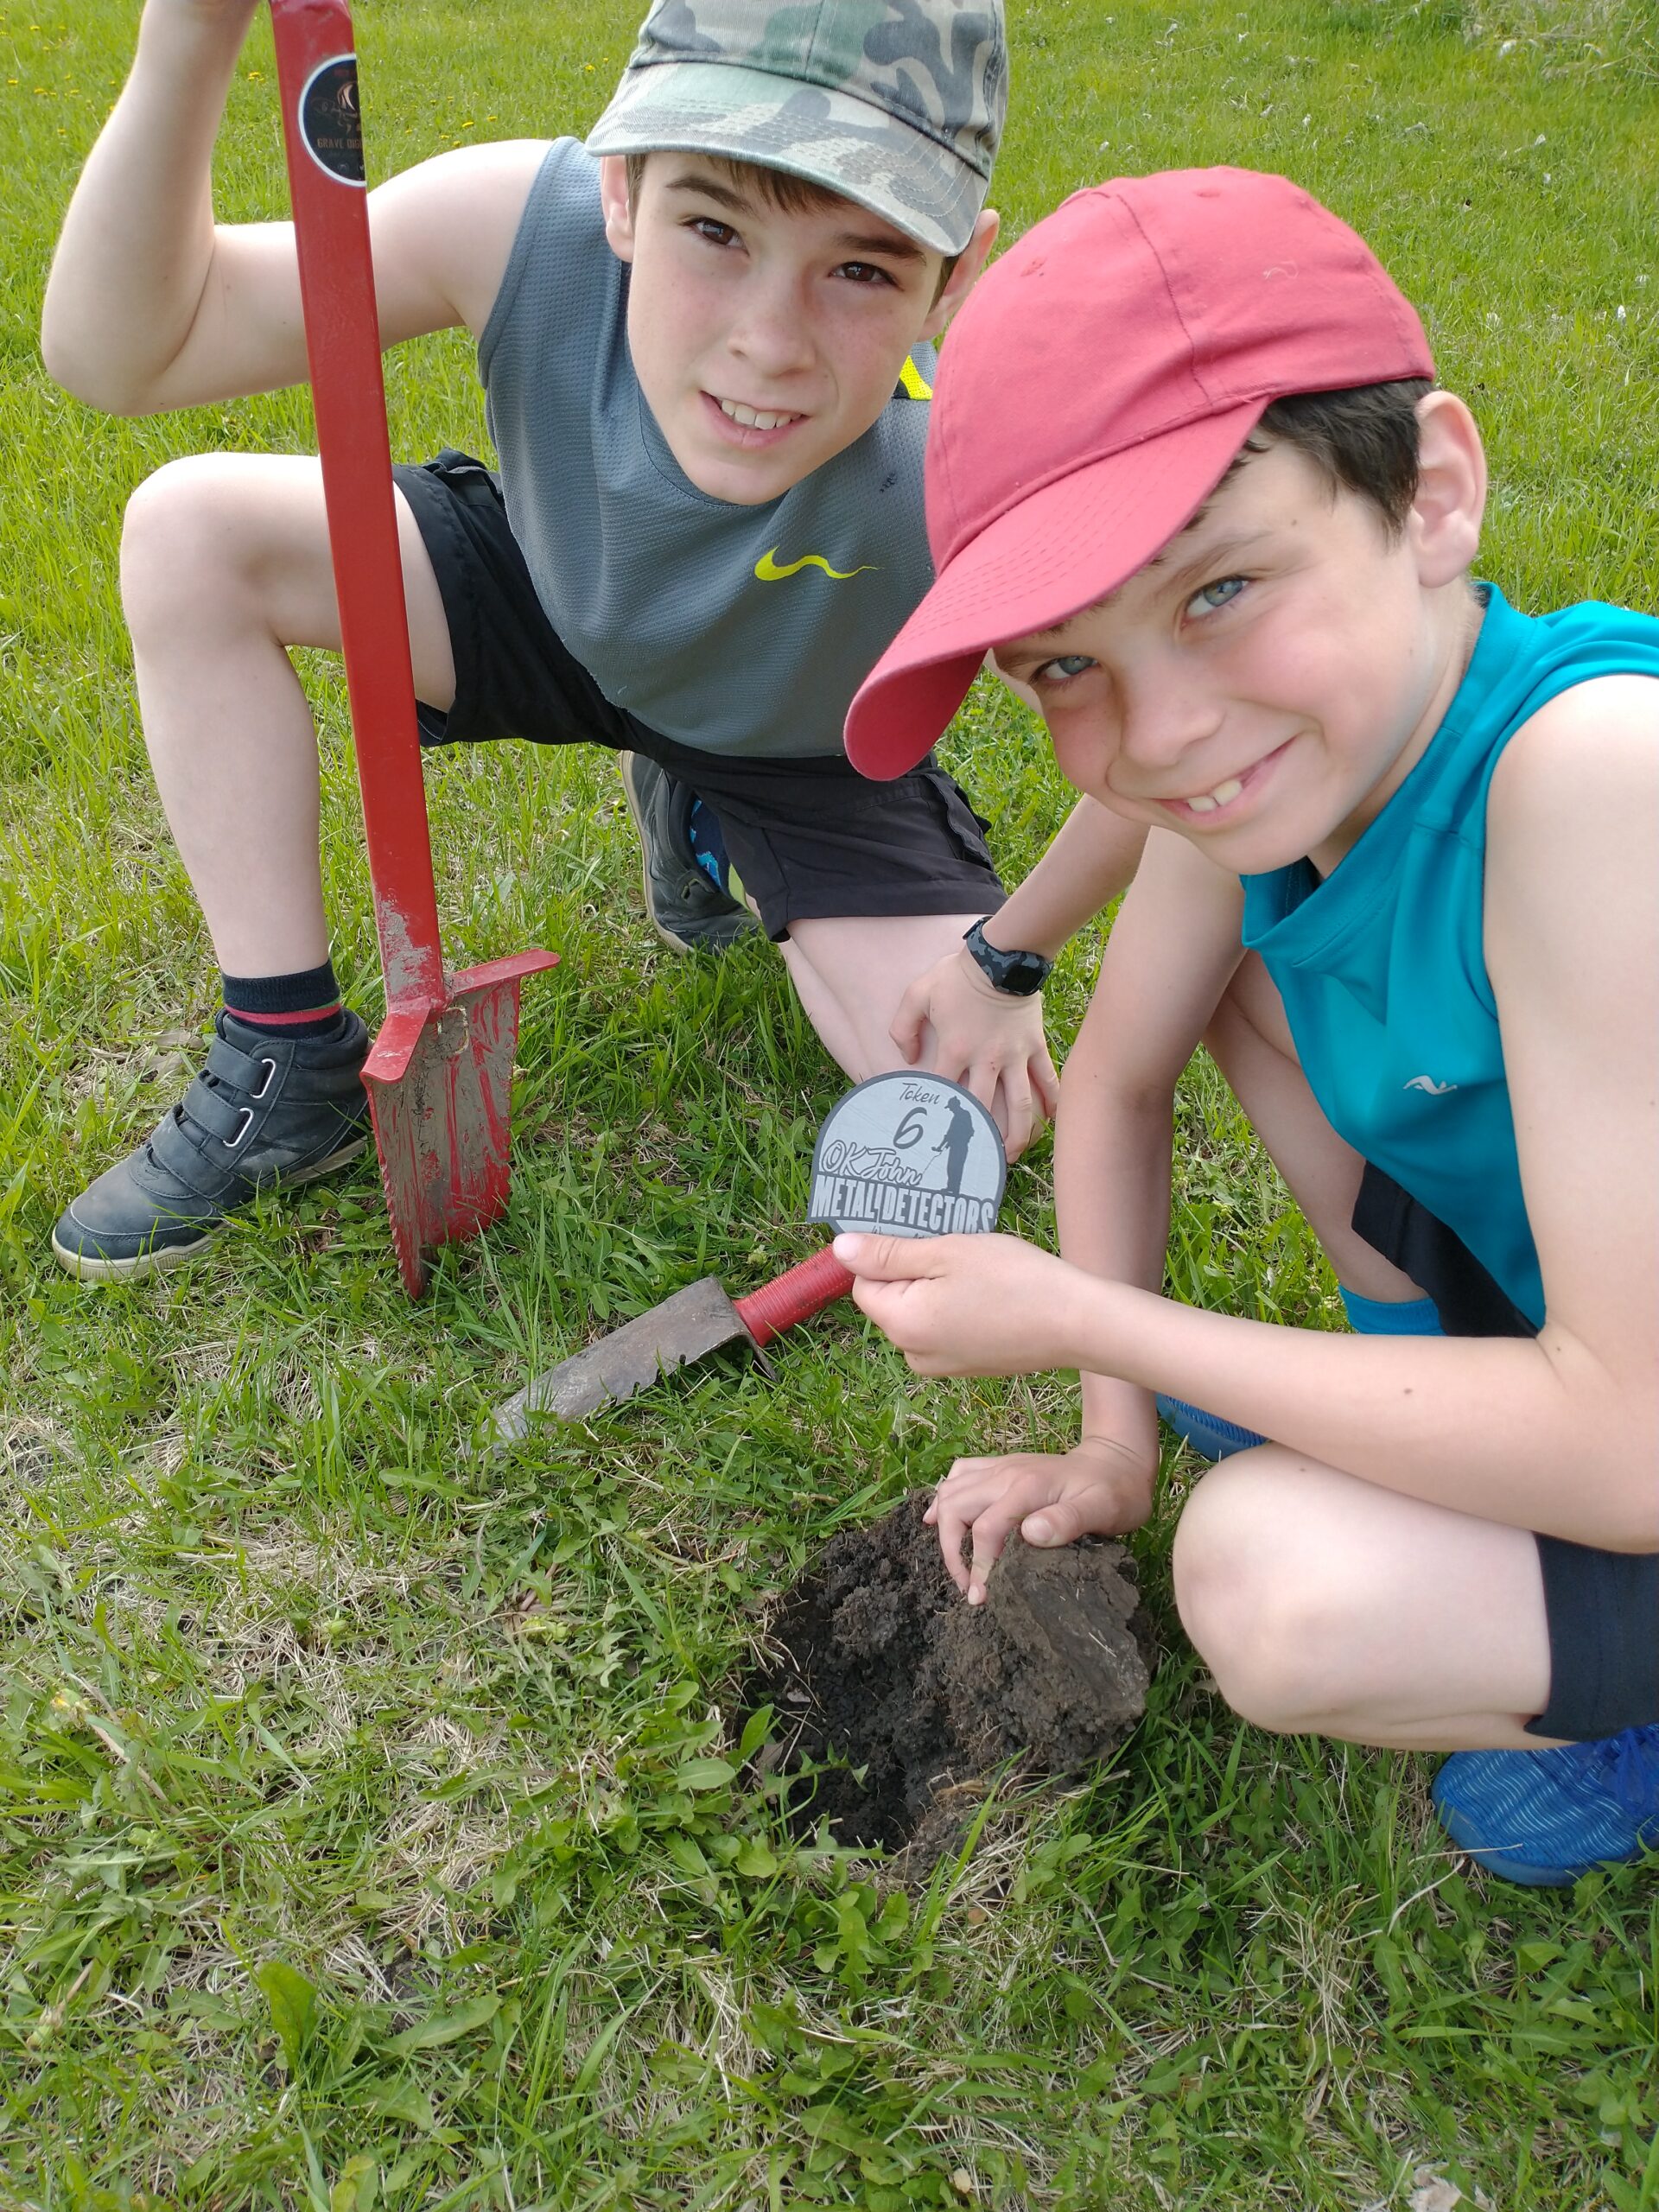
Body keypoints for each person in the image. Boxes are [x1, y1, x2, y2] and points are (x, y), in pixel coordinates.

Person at [833, 168, 1659, 1886]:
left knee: (1265, 1579)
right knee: (1245, 1002)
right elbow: (1121, 1085)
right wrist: (1110, 1436)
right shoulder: (1270, 785)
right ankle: (1432, 1425)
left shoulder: (1593, 778)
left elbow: (1633, 1445)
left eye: (1216, 590)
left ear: (1431, 489)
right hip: (1590, 1300)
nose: (1159, 729)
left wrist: (1076, 1311)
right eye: (1066, 666)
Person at [42, 0, 1141, 1280]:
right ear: (623, 189)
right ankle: (288, 1046)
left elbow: (1167, 743)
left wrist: (1006, 960)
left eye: (863, 267)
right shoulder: (527, 224)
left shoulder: (987, 446)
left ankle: (706, 810)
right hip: (556, 597)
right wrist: (188, 40)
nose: (767, 343)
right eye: (716, 231)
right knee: (191, 528)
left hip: (807, 735)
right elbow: (123, 354)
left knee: (968, 1117)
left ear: (959, 276)